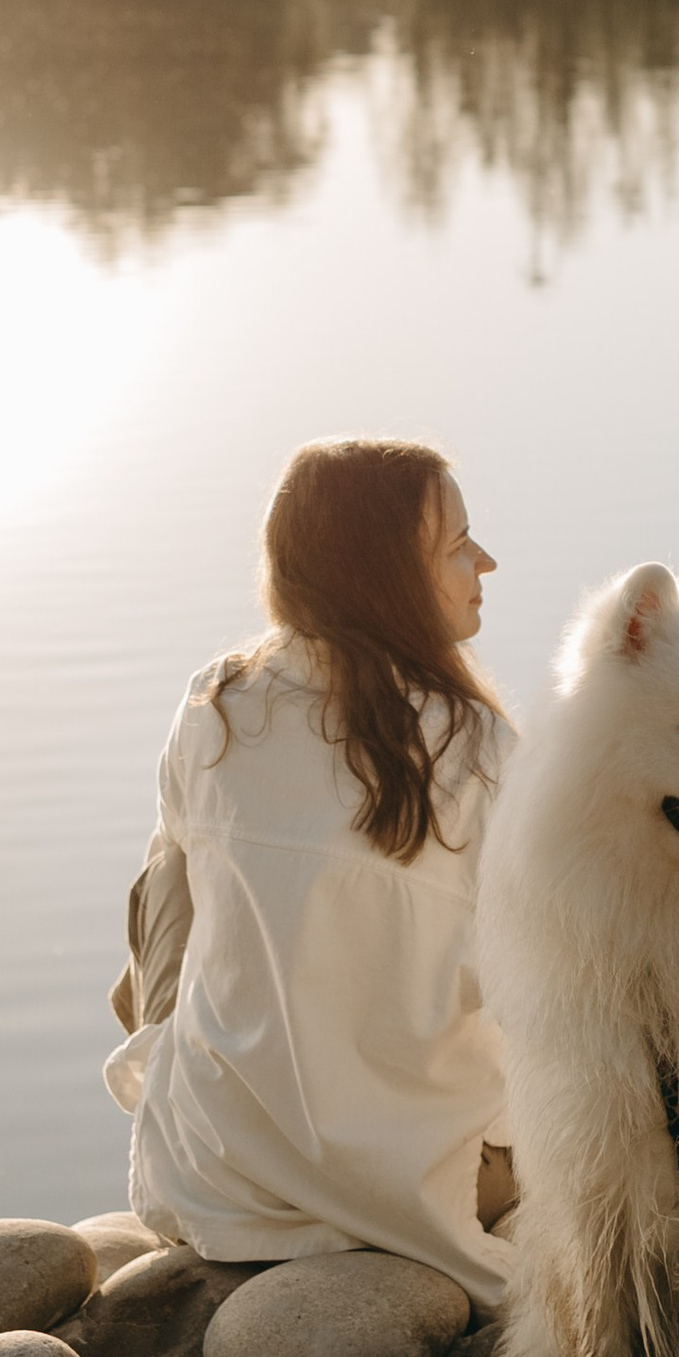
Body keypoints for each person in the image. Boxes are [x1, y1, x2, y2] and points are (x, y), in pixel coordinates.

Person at [106, 437, 515, 1308]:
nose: (486, 561)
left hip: (219, 1175)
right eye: (458, 546)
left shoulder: (214, 706)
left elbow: (162, 920)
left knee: (172, 869)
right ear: (388, 579)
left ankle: (186, 1087)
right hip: (415, 1187)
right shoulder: (479, 751)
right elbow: (532, 993)